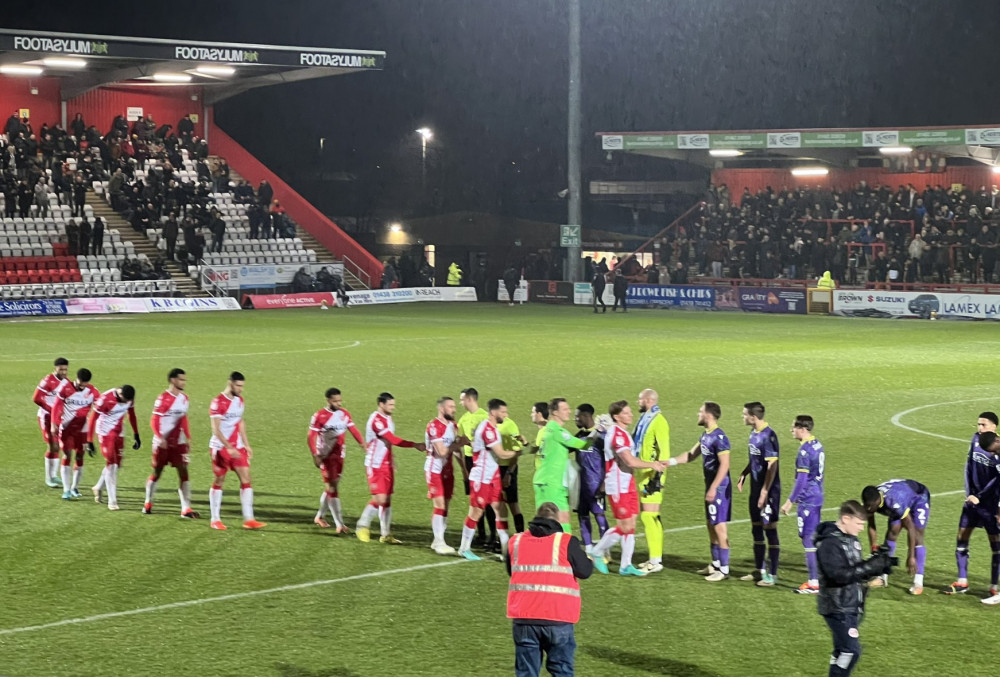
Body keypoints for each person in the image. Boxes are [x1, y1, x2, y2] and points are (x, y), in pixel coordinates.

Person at [506, 502, 593, 677]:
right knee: (561, 671)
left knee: (526, 673)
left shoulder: (516, 541)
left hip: (524, 617)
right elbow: (585, 571)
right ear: (557, 519)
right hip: (557, 617)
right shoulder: (566, 542)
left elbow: (512, 571)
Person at [816, 500, 896, 677]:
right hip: (837, 606)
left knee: (841, 651)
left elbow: (854, 570)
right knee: (851, 651)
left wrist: (878, 567)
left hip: (851, 604)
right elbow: (837, 575)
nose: (861, 528)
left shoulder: (851, 540)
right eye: (859, 523)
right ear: (846, 518)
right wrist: (870, 566)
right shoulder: (829, 544)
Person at [590, 400, 667, 576]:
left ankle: (625, 565)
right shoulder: (617, 434)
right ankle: (596, 552)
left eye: (630, 411)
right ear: (617, 417)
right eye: (626, 413)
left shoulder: (622, 432)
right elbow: (629, 461)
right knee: (624, 526)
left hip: (627, 483)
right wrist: (652, 465)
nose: (630, 414)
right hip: (617, 486)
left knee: (630, 525)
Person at [667, 401, 732, 581]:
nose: (698, 414)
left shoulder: (720, 437)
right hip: (710, 486)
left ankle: (724, 570)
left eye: (700, 411)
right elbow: (690, 455)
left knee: (719, 527)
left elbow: (725, 465)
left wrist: (713, 488)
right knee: (711, 525)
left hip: (719, 488)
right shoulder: (706, 435)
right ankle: (716, 564)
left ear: (709, 415)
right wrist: (670, 462)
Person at [356, 392, 425, 544]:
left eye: (394, 404)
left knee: (386, 499)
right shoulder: (376, 420)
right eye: (390, 405)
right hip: (375, 464)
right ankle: (362, 526)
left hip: (385, 464)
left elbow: (385, 443)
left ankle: (385, 534)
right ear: (381, 404)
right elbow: (392, 439)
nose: (393, 407)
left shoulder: (388, 418)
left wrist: (391, 458)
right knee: (379, 498)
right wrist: (414, 444)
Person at [458, 399, 520, 560]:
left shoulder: (491, 428)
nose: (506, 415)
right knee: (476, 512)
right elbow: (501, 454)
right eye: (503, 412)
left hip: (492, 477)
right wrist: (518, 452)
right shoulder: (488, 430)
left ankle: (507, 551)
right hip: (482, 478)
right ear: (493, 412)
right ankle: (464, 548)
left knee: (501, 510)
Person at [948, 413, 1000, 597]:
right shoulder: (975, 440)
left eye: (983, 424)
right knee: (961, 538)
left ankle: (994, 586)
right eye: (978, 424)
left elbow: (997, 480)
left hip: (989, 505)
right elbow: (968, 466)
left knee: (995, 545)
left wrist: (980, 496)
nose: (980, 428)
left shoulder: (997, 448)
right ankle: (962, 581)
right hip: (972, 501)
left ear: (994, 427)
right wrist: (969, 492)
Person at [208, 372, 266, 530]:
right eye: (238, 386)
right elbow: (216, 429)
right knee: (219, 481)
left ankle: (249, 519)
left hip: (237, 446)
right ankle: (215, 519)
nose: (241, 389)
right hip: (220, 448)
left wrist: (246, 444)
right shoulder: (218, 402)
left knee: (246, 478)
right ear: (230, 383)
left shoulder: (240, 401)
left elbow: (239, 422)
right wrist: (228, 447)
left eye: (242, 386)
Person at [308, 387, 365, 533]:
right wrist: (315, 455)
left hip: (340, 456)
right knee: (333, 489)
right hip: (325, 457)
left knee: (330, 488)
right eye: (335, 401)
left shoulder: (344, 414)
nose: (339, 403)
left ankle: (319, 517)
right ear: (328, 400)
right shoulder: (319, 416)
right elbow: (311, 437)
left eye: (340, 400)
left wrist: (362, 444)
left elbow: (353, 430)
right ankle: (339, 524)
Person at [737, 401, 782, 586]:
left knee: (770, 529)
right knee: (756, 528)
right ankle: (759, 569)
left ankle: (772, 574)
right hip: (755, 489)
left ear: (753, 417)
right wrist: (744, 473)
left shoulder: (769, 436)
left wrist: (765, 491)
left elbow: (772, 466)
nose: (743, 417)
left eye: (744, 414)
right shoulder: (753, 433)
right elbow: (756, 459)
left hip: (769, 491)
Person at [861, 478, 931, 595]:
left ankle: (918, 582)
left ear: (876, 503)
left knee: (918, 535)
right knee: (892, 532)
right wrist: (873, 549)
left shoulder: (893, 502)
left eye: (869, 507)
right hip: (902, 495)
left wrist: (911, 556)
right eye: (866, 506)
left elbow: (911, 528)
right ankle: (883, 577)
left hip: (919, 497)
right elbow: (871, 526)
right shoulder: (871, 501)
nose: (867, 509)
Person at [780, 415, 826, 593]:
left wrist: (790, 501)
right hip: (816, 495)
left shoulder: (805, 451)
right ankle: (819, 577)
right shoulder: (818, 444)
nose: (791, 430)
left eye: (793, 427)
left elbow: (801, 480)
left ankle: (814, 583)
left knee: (808, 539)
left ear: (803, 428)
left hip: (808, 499)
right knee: (812, 538)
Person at [534, 398, 592, 533]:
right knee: (562, 519)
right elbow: (584, 445)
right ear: (555, 412)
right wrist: (598, 431)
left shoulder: (547, 429)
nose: (569, 412)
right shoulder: (558, 432)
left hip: (542, 480)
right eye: (565, 409)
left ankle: (541, 549)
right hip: (552, 482)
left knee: (544, 520)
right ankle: (564, 551)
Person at [146, 368, 199, 518]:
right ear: (173, 380)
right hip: (162, 442)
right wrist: (160, 437)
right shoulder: (163, 399)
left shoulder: (185, 398)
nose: (184, 382)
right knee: (157, 472)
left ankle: (186, 509)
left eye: (184, 380)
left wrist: (188, 437)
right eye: (181, 380)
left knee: (184, 471)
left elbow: (183, 418)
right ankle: (148, 502)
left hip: (179, 441)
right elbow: (154, 420)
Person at [633, 388, 671, 573]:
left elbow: (664, 452)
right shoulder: (646, 418)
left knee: (649, 516)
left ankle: (655, 561)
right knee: (650, 516)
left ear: (648, 400)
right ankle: (654, 559)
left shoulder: (659, 421)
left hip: (652, 477)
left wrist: (657, 478)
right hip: (644, 473)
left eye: (640, 399)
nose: (637, 402)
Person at [86, 385, 140, 511]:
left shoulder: (129, 398)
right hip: (104, 433)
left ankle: (98, 486)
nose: (127, 403)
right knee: (112, 465)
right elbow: (93, 419)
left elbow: (132, 414)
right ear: (120, 395)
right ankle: (112, 501)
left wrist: (136, 434)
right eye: (125, 400)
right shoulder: (105, 399)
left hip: (119, 431)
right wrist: (89, 441)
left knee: (117, 464)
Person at [50, 368, 99, 500]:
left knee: (80, 456)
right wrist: (53, 423)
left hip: (83, 429)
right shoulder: (65, 388)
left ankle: (74, 487)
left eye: (85, 384)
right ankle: (66, 490)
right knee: (67, 454)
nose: (82, 386)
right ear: (76, 379)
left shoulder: (92, 391)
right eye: (80, 383)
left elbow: (101, 406)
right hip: (67, 428)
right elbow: (56, 406)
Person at [425, 396, 461, 554]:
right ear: (441, 409)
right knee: (439, 505)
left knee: (446, 505)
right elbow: (441, 451)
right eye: (450, 407)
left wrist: (465, 471)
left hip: (448, 469)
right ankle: (439, 542)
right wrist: (460, 443)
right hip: (434, 469)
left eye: (454, 406)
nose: (454, 409)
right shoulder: (434, 426)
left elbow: (456, 450)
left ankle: (437, 539)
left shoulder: (453, 425)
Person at [457, 387, 491, 547]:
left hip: (484, 461)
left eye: (462, 399)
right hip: (470, 461)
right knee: (475, 499)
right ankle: (481, 534)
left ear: (470, 399)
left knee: (488, 500)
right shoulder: (463, 419)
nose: (460, 402)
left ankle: (493, 535)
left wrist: (469, 442)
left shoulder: (484, 417)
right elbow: (459, 441)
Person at [573, 404, 609, 553]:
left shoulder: (602, 437)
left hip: (596, 484)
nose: (575, 419)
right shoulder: (578, 436)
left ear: (586, 416)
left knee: (600, 515)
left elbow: (609, 461)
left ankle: (605, 551)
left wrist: (605, 483)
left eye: (577, 416)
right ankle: (588, 550)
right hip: (581, 485)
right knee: (582, 516)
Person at [33, 357, 70, 488]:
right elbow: (36, 398)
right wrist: (52, 409)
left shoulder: (66, 382)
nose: (64, 372)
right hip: (46, 417)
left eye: (66, 369)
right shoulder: (47, 381)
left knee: (58, 446)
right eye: (61, 369)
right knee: (52, 446)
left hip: (58, 418)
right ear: (55, 368)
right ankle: (48, 478)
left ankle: (54, 475)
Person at [498, 407, 526, 536]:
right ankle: (497, 537)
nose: (506, 414)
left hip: (507, 468)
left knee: (513, 504)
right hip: (493, 468)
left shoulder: (510, 425)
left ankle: (520, 535)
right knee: (496, 504)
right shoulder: (489, 425)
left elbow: (517, 451)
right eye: (503, 412)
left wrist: (509, 473)